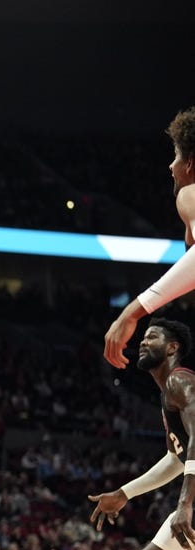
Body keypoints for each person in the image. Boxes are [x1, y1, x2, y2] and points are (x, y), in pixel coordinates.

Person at [90, 318, 195, 550]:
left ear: (172, 348)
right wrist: (125, 493)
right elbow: (175, 458)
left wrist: (186, 503)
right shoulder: (168, 392)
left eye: (152, 337)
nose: (142, 342)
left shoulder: (180, 380)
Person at [104, 107, 195, 368]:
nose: (171, 165)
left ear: (189, 163)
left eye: (176, 156)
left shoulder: (190, 193)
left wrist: (133, 311)